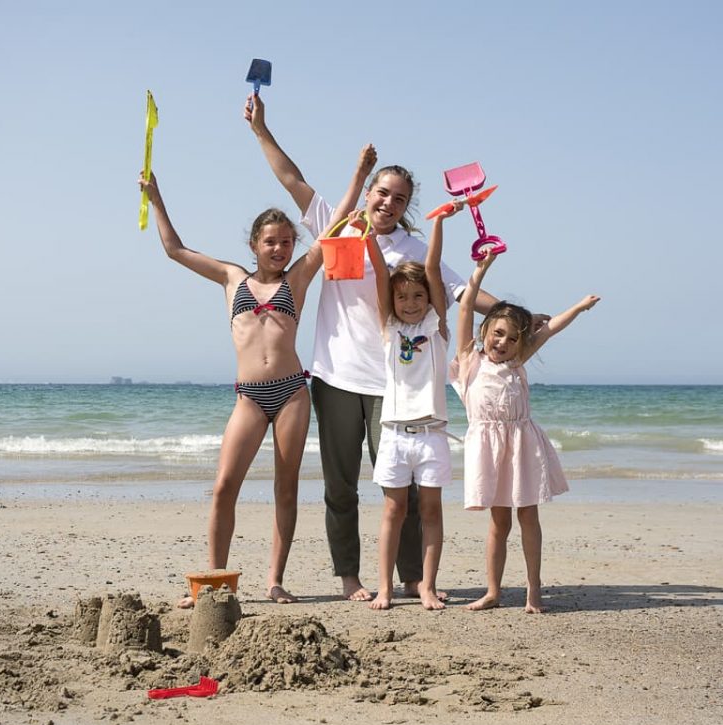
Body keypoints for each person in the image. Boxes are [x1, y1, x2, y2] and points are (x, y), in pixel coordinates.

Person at [244, 93, 500, 601]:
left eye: (399, 198)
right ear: (368, 192)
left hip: (393, 385)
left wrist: (509, 311)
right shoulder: (334, 224)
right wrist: (261, 131)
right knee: (340, 486)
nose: (387, 203)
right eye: (382, 192)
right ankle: (350, 577)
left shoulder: (410, 249)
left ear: (408, 207)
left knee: (399, 486)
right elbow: (291, 179)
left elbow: (458, 291)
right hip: (335, 376)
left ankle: (410, 576)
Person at [138, 143, 377, 606]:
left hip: (291, 394)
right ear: (254, 245)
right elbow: (174, 249)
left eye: (287, 242)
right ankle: (212, 582)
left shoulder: (300, 278)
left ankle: (274, 581)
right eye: (270, 242)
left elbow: (336, 224)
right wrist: (156, 198)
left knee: (285, 489)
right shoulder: (231, 278)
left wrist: (359, 174)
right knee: (225, 486)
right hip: (249, 396)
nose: (280, 248)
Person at [450, 249, 600, 613]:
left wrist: (578, 307)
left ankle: (534, 591)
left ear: (520, 343)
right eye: (498, 334)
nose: (502, 343)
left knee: (528, 515)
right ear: (486, 332)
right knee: (498, 523)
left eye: (513, 338)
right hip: (488, 450)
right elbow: (466, 307)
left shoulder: (518, 362)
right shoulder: (470, 361)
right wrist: (480, 270)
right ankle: (492, 591)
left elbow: (549, 329)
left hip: (521, 445)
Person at [356, 202, 465, 610]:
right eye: (403, 297)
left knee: (431, 512)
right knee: (393, 511)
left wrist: (437, 223)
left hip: (432, 435)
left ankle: (426, 585)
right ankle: (385, 587)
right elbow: (382, 274)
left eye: (418, 296)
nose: (411, 302)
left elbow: (433, 269)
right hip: (395, 436)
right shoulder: (390, 327)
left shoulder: (436, 327)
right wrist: (367, 233)